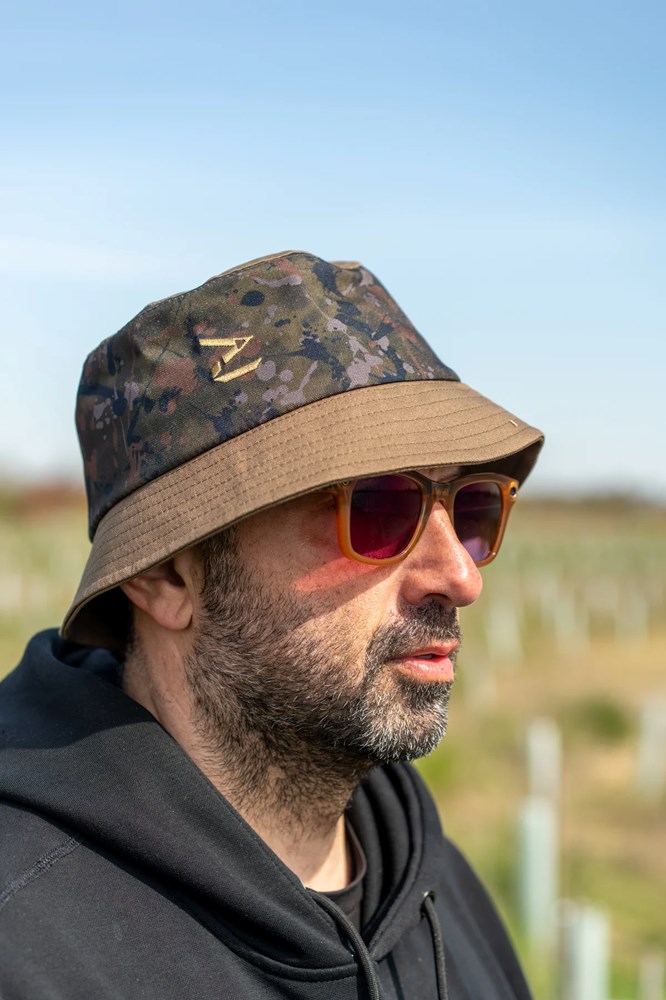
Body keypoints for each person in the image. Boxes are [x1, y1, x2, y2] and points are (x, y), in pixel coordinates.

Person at [0, 251, 544, 999]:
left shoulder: (438, 891)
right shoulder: (29, 947)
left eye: (474, 505)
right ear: (167, 577)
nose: (461, 577)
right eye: (379, 508)